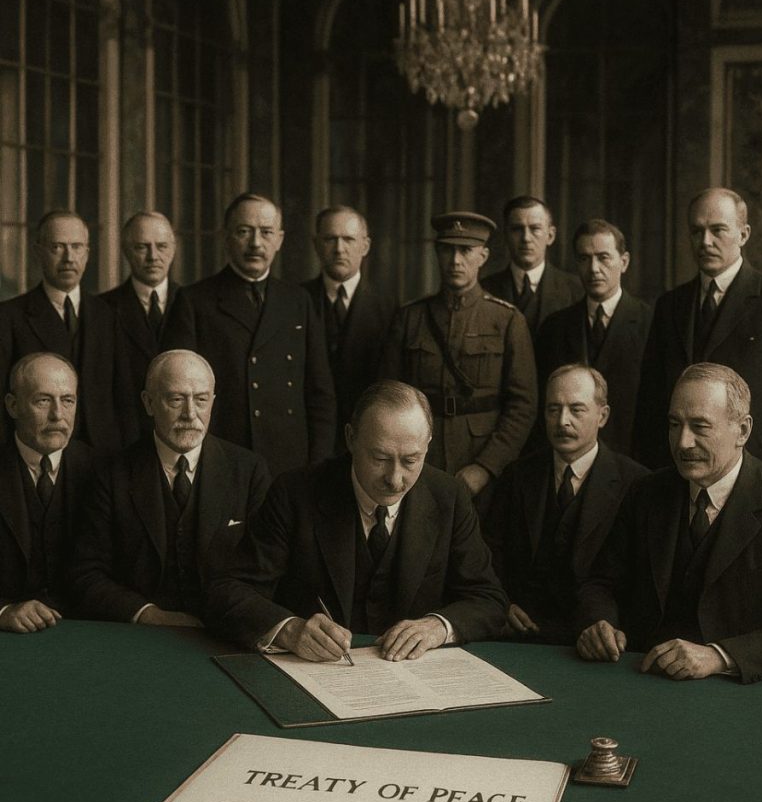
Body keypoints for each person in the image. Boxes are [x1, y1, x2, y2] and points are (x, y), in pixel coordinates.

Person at [205, 380, 508, 660]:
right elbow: (228, 592)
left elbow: (489, 600)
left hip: (414, 684)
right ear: (351, 438)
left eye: (411, 460)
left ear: (427, 444)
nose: (395, 478)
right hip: (316, 678)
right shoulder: (295, 493)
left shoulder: (450, 496)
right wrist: (289, 629)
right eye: (380, 459)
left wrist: (438, 627)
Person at [577, 363, 762, 684]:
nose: (682, 443)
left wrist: (719, 656)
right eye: (674, 424)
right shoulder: (647, 492)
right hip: (641, 681)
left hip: (739, 695)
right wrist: (599, 623)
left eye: (700, 426)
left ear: (743, 431)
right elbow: (600, 582)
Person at [73, 350, 271, 626]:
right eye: (176, 399)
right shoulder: (112, 474)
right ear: (149, 402)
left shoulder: (249, 471)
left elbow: (263, 572)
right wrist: (149, 615)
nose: (190, 414)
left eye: (201, 400)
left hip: (223, 633)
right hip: (139, 637)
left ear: (212, 401)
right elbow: (86, 573)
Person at [162, 193, 336, 478]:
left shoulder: (298, 301)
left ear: (279, 239)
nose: (256, 243)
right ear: (226, 237)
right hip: (221, 456)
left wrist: (317, 464)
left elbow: (320, 395)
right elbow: (177, 392)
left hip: (289, 461)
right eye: (244, 232)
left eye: (266, 232)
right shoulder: (195, 301)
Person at [378, 212, 536, 501]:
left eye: (465, 250)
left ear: (483, 255)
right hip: (421, 459)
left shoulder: (507, 320)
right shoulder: (410, 318)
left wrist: (486, 467)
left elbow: (523, 406)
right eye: (447, 250)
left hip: (483, 459)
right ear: (437, 253)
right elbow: (388, 399)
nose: (455, 260)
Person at [486, 364, 647, 644]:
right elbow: (489, 554)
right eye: (553, 409)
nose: (562, 421)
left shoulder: (636, 484)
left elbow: (639, 582)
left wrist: (603, 625)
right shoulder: (517, 476)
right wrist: (502, 604)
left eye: (576, 409)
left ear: (602, 415)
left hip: (596, 640)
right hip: (521, 636)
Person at [634, 187, 762, 467]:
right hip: (677, 465)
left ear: (743, 234)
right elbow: (651, 399)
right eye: (696, 231)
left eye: (718, 230)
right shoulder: (670, 305)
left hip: (752, 468)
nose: (705, 241)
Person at [0, 210, 120, 451]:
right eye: (57, 247)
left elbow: (123, 395)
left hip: (102, 453)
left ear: (87, 254)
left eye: (76, 247)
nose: (68, 258)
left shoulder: (109, 314)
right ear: (38, 252)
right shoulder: (9, 316)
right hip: (34, 452)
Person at [535, 219, 652, 455]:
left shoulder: (650, 323)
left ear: (624, 262)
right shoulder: (555, 327)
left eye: (603, 257)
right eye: (584, 258)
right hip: (568, 457)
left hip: (632, 455)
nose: (594, 268)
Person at [0, 353, 94, 632]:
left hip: (90, 629)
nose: (57, 415)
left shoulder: (103, 470)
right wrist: (2, 610)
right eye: (43, 400)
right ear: (13, 405)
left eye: (67, 400)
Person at [302, 205, 395, 452]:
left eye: (348, 239)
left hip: (367, 436)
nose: (339, 249)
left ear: (365, 246)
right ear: (316, 244)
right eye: (330, 239)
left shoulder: (391, 309)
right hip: (307, 437)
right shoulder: (296, 301)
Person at [101, 211, 179, 446]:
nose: (153, 256)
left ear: (173, 249)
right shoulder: (103, 309)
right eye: (142, 247)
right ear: (125, 251)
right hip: (122, 439)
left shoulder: (195, 303)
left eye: (162, 246)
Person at [482, 195, 581, 337]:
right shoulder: (485, 290)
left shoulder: (576, 291)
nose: (526, 238)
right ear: (506, 236)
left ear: (550, 236)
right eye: (517, 229)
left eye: (535, 229)